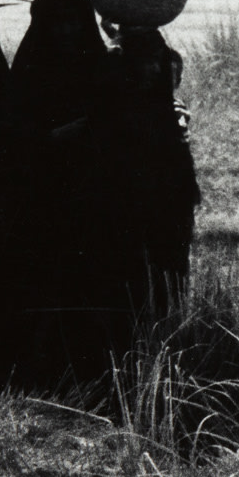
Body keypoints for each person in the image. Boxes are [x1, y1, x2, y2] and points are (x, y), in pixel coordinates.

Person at [2, 0, 113, 388]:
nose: (66, 31)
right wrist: (51, 139)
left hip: (92, 196)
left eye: (74, 21)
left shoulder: (100, 68)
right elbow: (12, 135)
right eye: (58, 22)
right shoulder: (31, 69)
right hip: (42, 197)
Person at [85, 28, 200, 341]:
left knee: (166, 290)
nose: (151, 70)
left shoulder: (168, 111)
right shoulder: (112, 112)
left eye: (155, 62)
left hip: (165, 214)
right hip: (126, 216)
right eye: (143, 62)